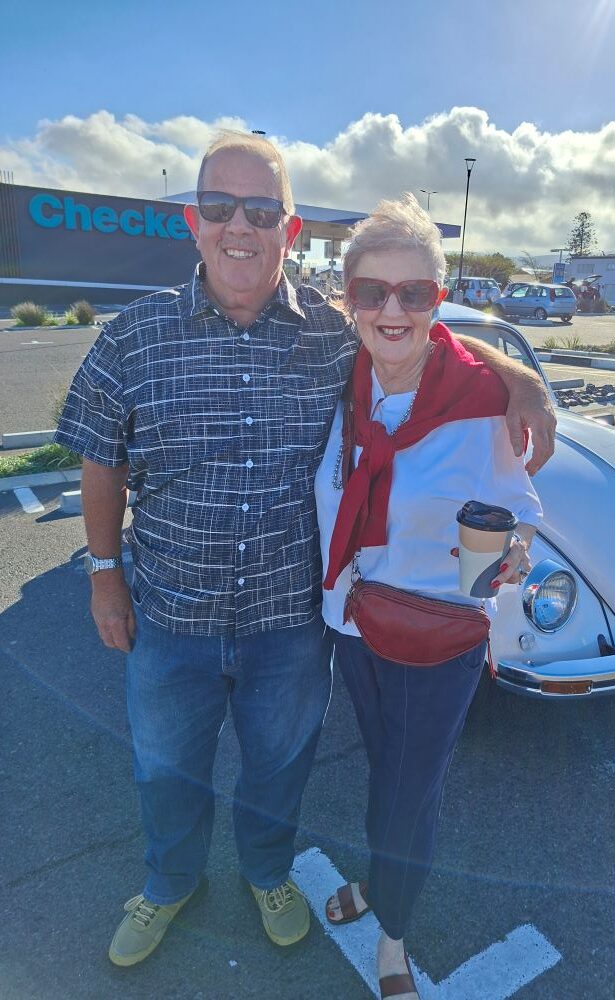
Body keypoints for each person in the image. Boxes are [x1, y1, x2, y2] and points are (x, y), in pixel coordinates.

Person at [54, 131, 555, 969]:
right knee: (165, 768)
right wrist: (106, 576)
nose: (238, 226)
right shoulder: (133, 336)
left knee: (278, 770)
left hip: (289, 622)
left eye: (260, 210)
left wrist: (521, 376)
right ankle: (169, 882)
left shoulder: (333, 333)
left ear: (289, 231)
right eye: (220, 207)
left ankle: (266, 874)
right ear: (194, 221)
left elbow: (429, 344)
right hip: (169, 614)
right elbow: (97, 454)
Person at [315, 194, 542, 999]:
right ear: (348, 298)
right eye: (372, 291)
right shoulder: (335, 379)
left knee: (412, 790)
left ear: (437, 301)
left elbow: (522, 506)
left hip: (438, 631)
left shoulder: (479, 399)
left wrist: (513, 549)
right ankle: (383, 882)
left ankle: (394, 937)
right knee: (387, 772)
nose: (392, 310)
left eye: (415, 293)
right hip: (350, 620)